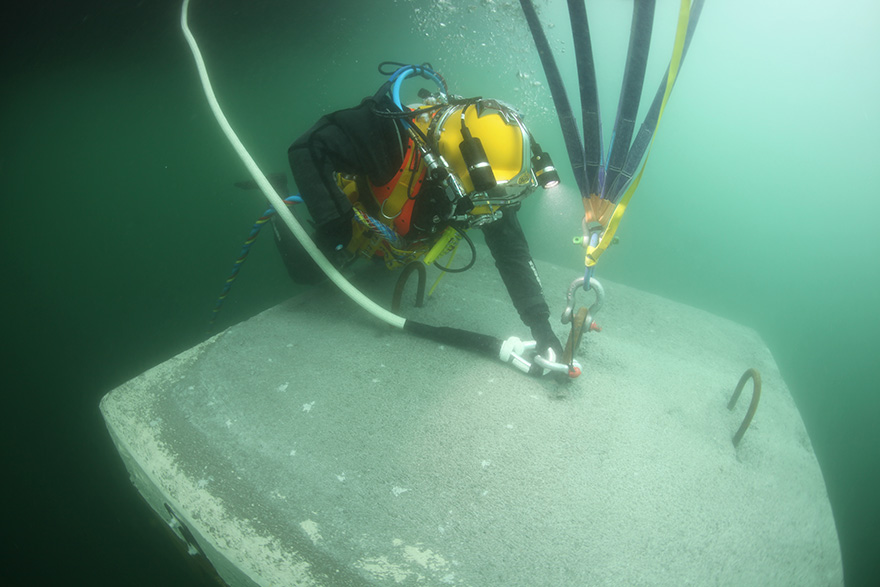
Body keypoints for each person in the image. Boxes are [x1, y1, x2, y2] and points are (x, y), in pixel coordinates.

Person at [273, 63, 564, 361]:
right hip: (360, 225)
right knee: (306, 273)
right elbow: (307, 148)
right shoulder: (387, 134)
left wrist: (541, 326)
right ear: (450, 170)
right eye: (484, 194)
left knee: (383, 263)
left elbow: (511, 250)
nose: (490, 208)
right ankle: (277, 196)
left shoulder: (489, 186)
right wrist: (337, 224)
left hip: (401, 239)